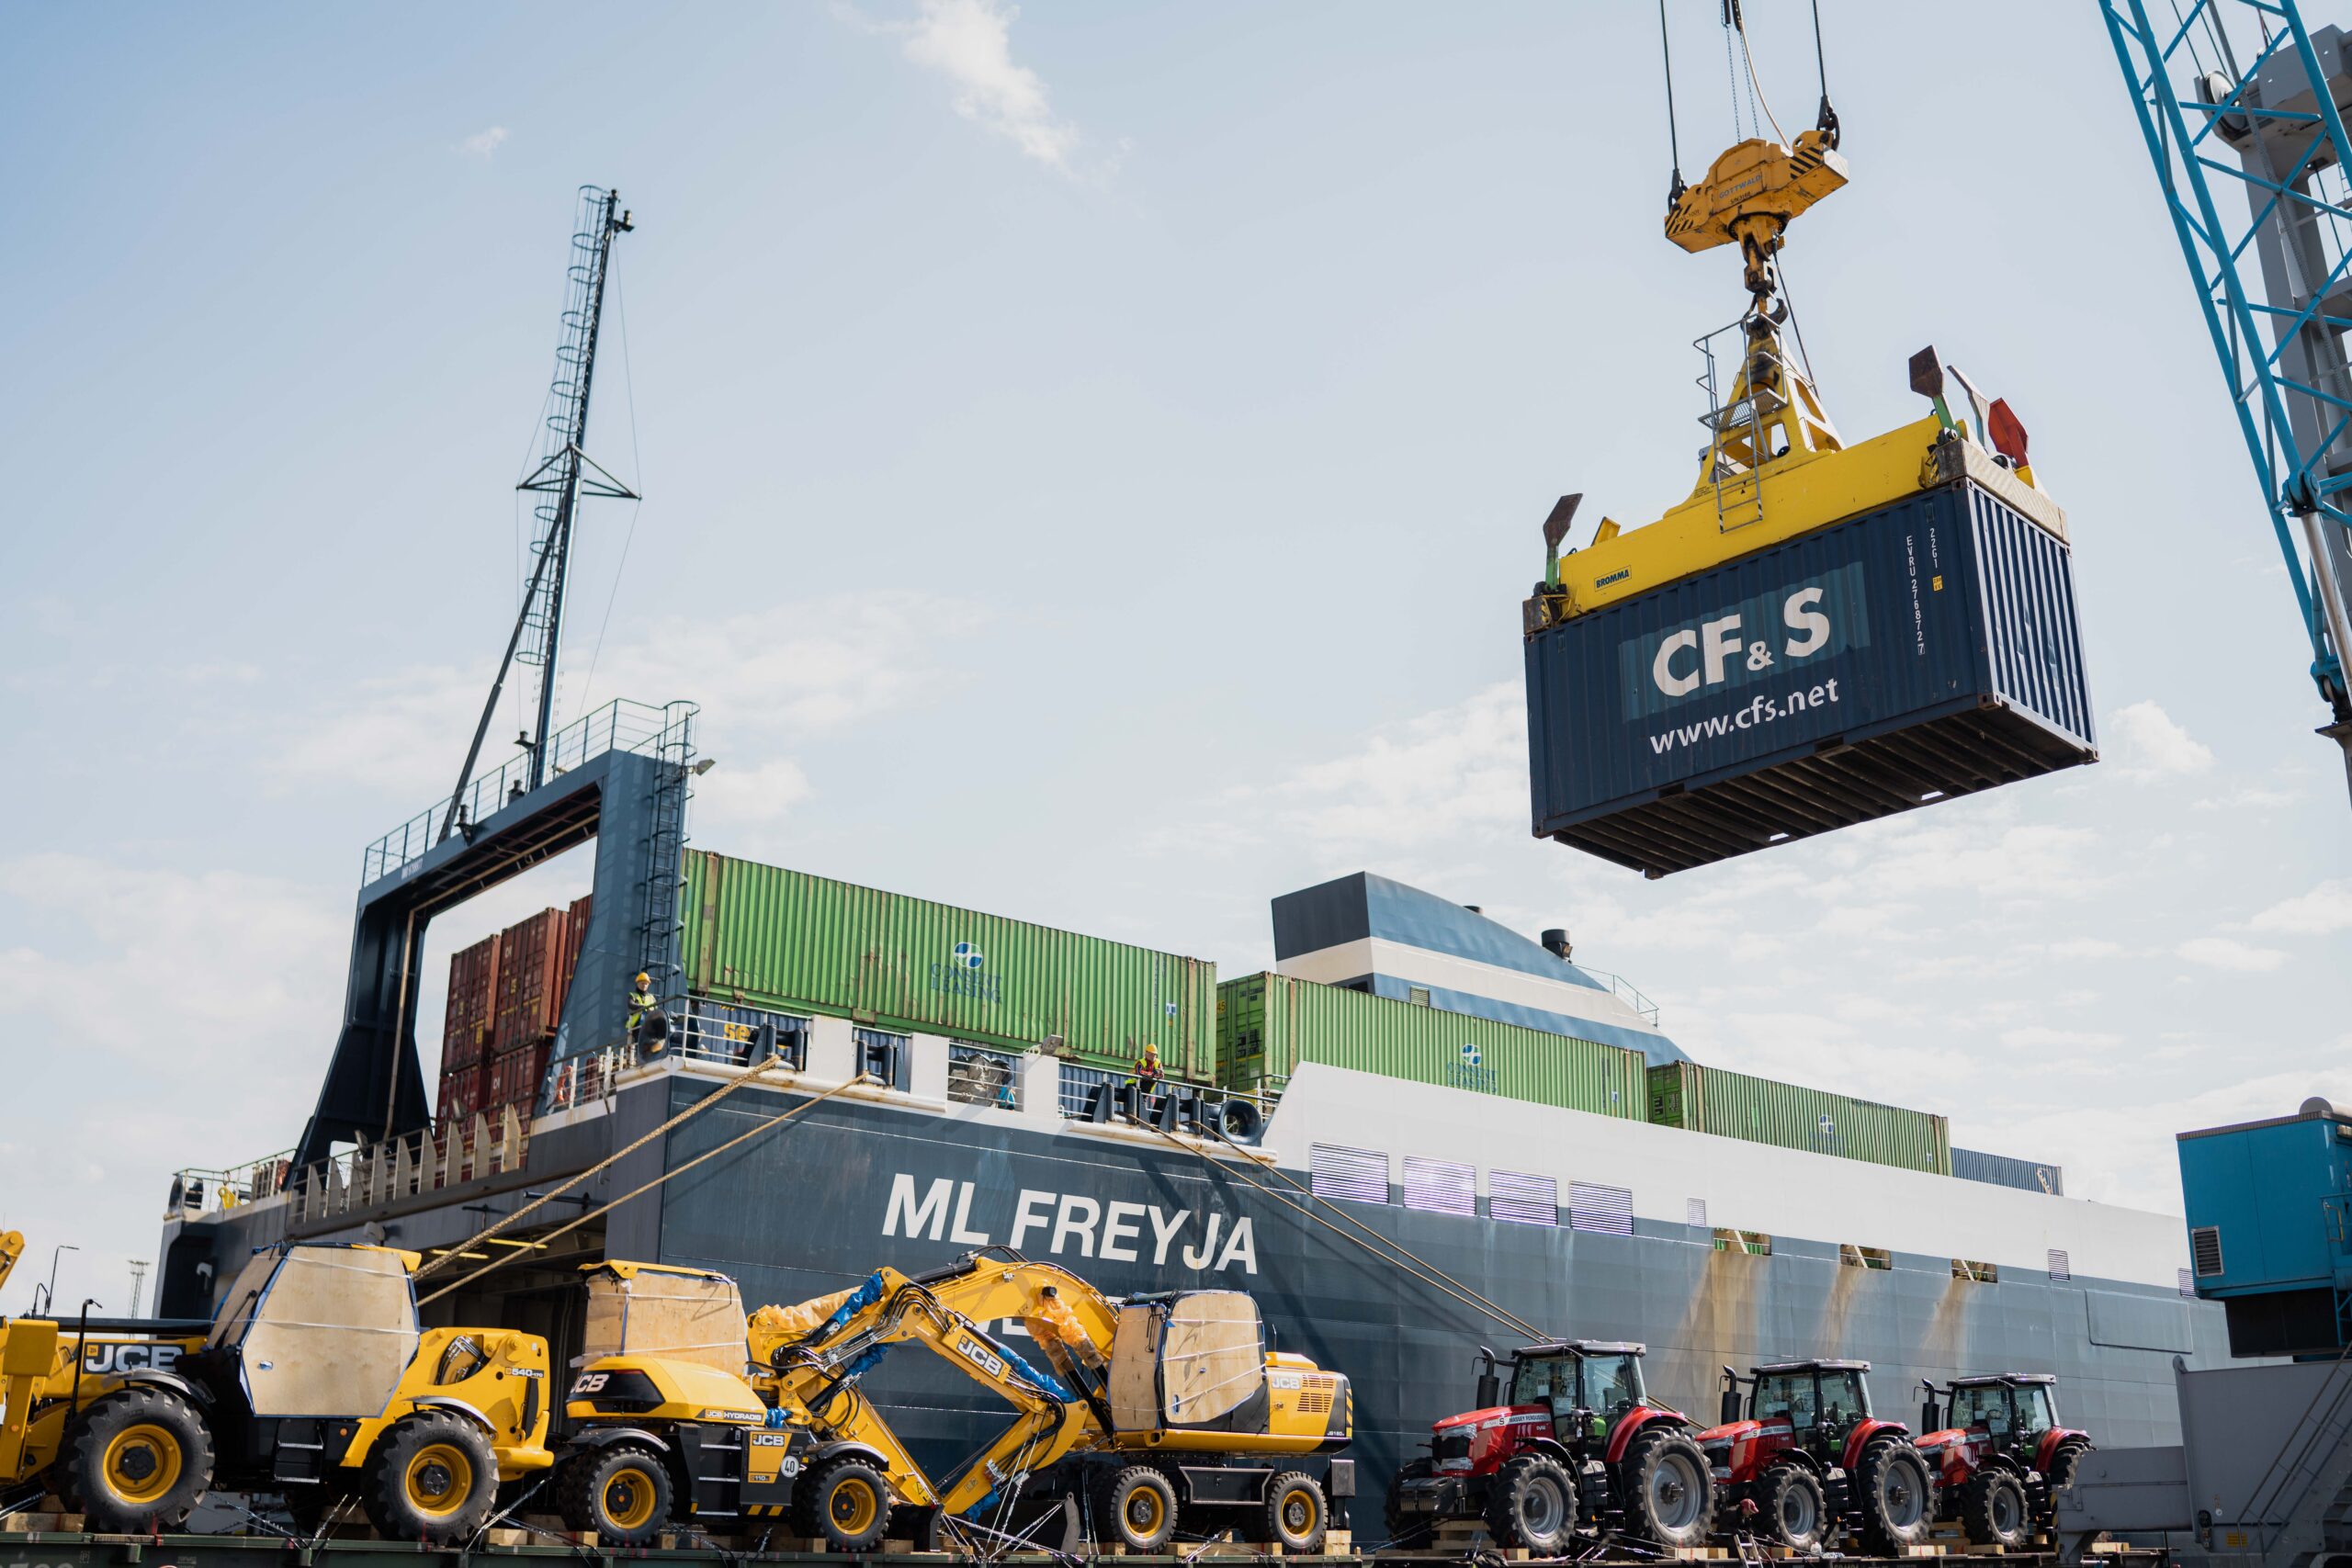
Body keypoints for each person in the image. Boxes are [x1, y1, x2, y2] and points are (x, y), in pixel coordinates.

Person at [628, 972, 661, 1049]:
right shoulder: (633, 995)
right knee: (639, 1042)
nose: (644, 985)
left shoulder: (651, 998)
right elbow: (630, 1004)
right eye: (642, 983)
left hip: (649, 1024)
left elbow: (656, 1010)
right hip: (636, 1025)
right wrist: (642, 1007)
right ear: (638, 983)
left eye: (646, 984)